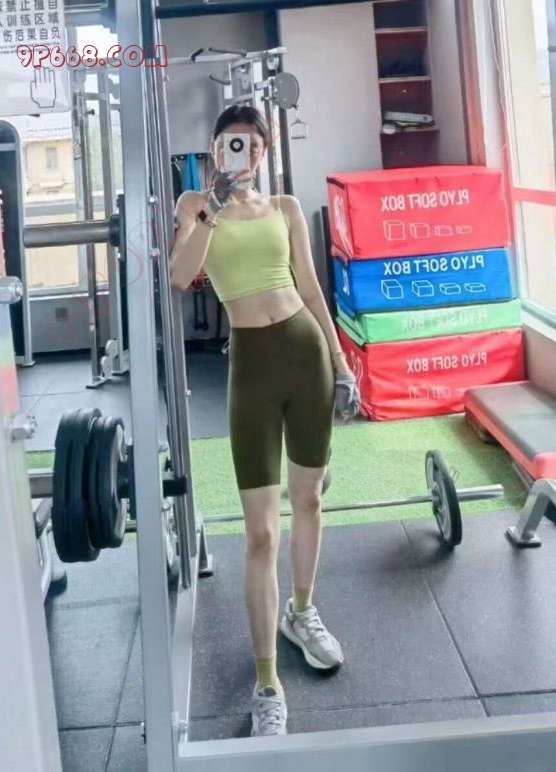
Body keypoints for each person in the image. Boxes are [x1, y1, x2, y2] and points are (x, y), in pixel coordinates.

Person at [169, 104, 361, 737]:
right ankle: (267, 681)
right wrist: (213, 206)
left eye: (253, 146)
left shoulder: (285, 208)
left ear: (264, 152)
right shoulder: (195, 203)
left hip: (306, 355)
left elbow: (310, 288)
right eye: (233, 143)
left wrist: (341, 363)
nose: (243, 154)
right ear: (214, 148)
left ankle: (301, 612)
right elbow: (179, 276)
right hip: (251, 369)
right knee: (259, 535)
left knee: (308, 499)